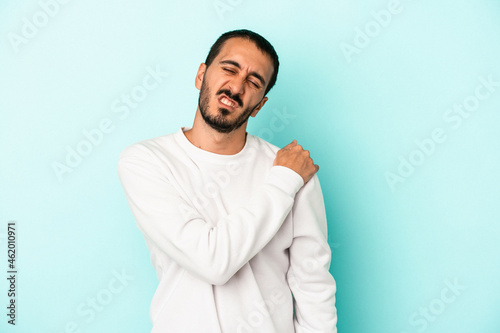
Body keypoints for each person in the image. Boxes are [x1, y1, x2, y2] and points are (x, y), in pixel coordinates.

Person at [117, 29, 337, 332]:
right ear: (201, 76)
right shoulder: (146, 161)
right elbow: (212, 262)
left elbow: (313, 286)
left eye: (253, 82)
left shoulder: (294, 171)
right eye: (229, 69)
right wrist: (284, 181)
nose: (236, 86)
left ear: (259, 105)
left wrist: (288, 176)